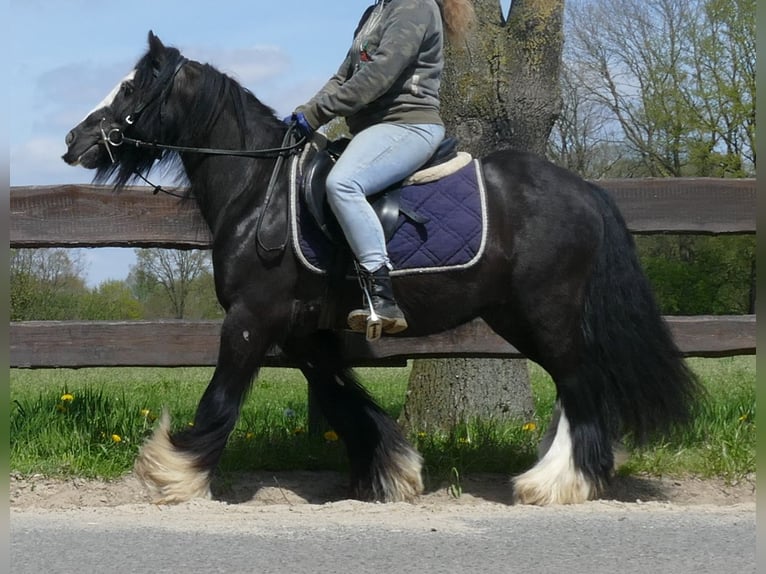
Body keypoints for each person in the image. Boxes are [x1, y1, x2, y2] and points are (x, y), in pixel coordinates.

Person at [285, 0, 475, 336]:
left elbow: (379, 74)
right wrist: (305, 112)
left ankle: (381, 296)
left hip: (408, 125)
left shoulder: (414, 6)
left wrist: (317, 115)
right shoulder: (375, 12)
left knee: (344, 184)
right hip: (371, 130)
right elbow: (343, 76)